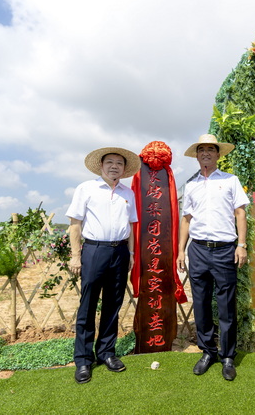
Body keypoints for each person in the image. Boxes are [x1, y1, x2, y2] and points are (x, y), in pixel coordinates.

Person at [176, 134, 250, 381]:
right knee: (201, 303)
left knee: (226, 305)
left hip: (224, 250)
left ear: (218, 154)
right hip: (197, 250)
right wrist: (181, 250)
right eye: (201, 150)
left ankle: (227, 356)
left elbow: (240, 213)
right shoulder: (191, 186)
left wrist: (241, 245)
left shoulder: (230, 180)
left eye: (211, 149)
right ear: (196, 156)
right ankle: (208, 351)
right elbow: (186, 220)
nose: (206, 153)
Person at [66, 146, 141, 384]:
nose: (114, 167)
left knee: (113, 304)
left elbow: (131, 226)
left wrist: (130, 253)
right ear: (101, 165)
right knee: (87, 305)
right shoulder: (86, 189)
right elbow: (75, 224)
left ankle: (107, 352)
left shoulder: (128, 193)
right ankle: (83, 359)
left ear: (124, 169)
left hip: (120, 252)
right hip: (94, 250)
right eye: (110, 162)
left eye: (119, 163)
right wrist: (75, 255)